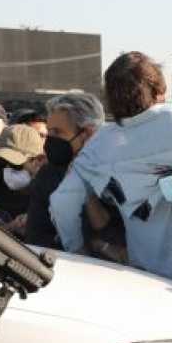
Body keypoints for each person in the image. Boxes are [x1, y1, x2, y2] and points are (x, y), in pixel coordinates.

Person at [49, 51, 172, 287]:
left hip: (140, 266)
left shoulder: (100, 143)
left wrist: (77, 252)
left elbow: (61, 203)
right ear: (157, 90)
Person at [25, 91, 105, 249]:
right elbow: (37, 238)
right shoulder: (48, 175)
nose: (50, 141)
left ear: (87, 133)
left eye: (58, 132)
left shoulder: (118, 173)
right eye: (50, 133)